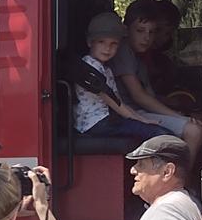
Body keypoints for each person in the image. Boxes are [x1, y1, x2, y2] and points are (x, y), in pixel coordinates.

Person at [113, 0, 202, 158]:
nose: (146, 38)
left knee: (198, 120)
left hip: (140, 111)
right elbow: (139, 96)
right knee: (194, 131)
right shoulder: (124, 52)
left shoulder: (139, 56)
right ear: (126, 29)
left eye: (152, 32)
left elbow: (150, 96)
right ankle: (179, 179)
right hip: (130, 114)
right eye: (140, 31)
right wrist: (178, 117)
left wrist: (177, 109)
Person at [74, 13, 178, 149]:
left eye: (113, 44)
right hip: (94, 124)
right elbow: (114, 102)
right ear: (89, 42)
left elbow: (118, 101)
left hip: (105, 120)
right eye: (101, 42)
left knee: (156, 132)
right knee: (159, 135)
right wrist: (140, 120)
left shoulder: (105, 69)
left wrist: (141, 120)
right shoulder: (89, 67)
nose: (107, 48)